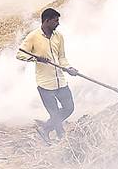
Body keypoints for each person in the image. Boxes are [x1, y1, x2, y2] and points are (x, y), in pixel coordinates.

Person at [17, 8, 79, 142]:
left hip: (61, 82)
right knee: (55, 114)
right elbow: (20, 54)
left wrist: (68, 68)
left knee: (69, 108)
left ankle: (45, 129)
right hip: (45, 85)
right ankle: (58, 135)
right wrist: (36, 59)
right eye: (56, 21)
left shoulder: (59, 37)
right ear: (47, 21)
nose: (58, 24)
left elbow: (62, 57)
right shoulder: (33, 37)